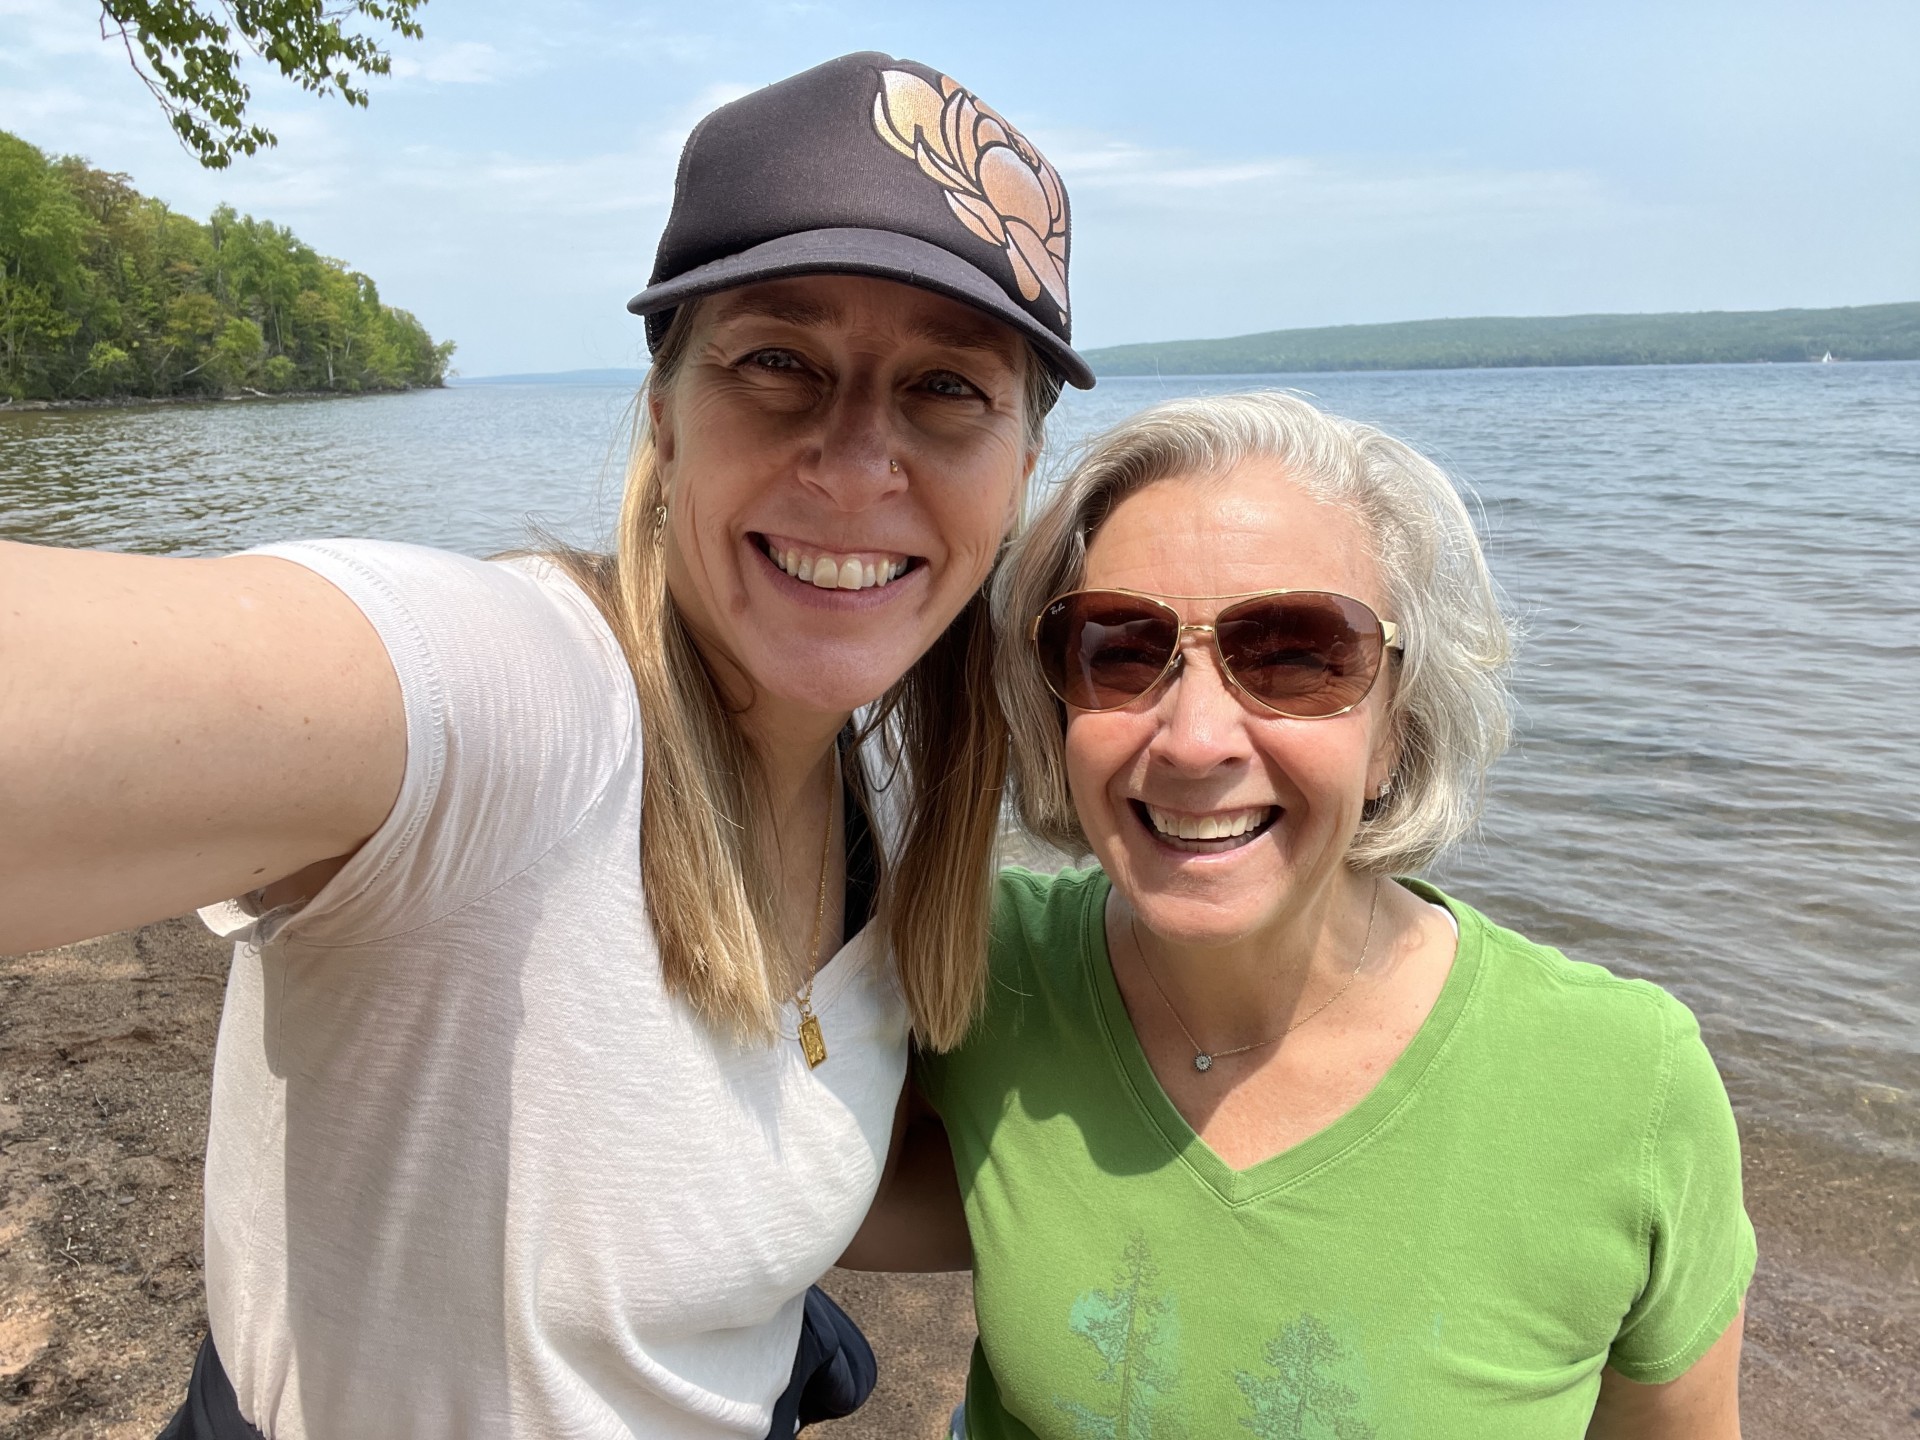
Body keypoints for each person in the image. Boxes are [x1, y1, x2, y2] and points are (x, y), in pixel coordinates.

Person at [0, 51, 1094, 1439]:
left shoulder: (885, 788)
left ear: (1022, 465)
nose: (859, 458)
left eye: (949, 387)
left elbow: (783, 1165)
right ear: (663, 408)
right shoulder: (526, 697)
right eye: (778, 361)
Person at [914, 393, 1755, 1438]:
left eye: (1297, 655)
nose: (1195, 739)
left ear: (1397, 725)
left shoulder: (1626, 1082)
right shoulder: (980, 965)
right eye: (1120, 648)